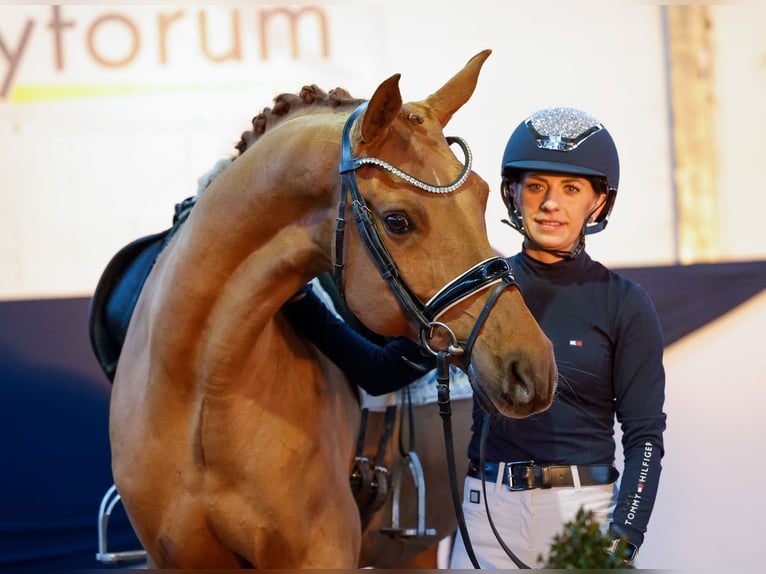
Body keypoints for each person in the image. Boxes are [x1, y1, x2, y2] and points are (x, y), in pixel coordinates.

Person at [447, 106, 666, 568]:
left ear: (598, 203)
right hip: (486, 512)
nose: (551, 204)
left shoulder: (624, 303)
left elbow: (644, 436)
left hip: (582, 514)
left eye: (571, 188)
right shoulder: (478, 288)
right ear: (513, 194)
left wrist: (624, 536)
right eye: (537, 186)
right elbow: (382, 370)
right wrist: (302, 303)